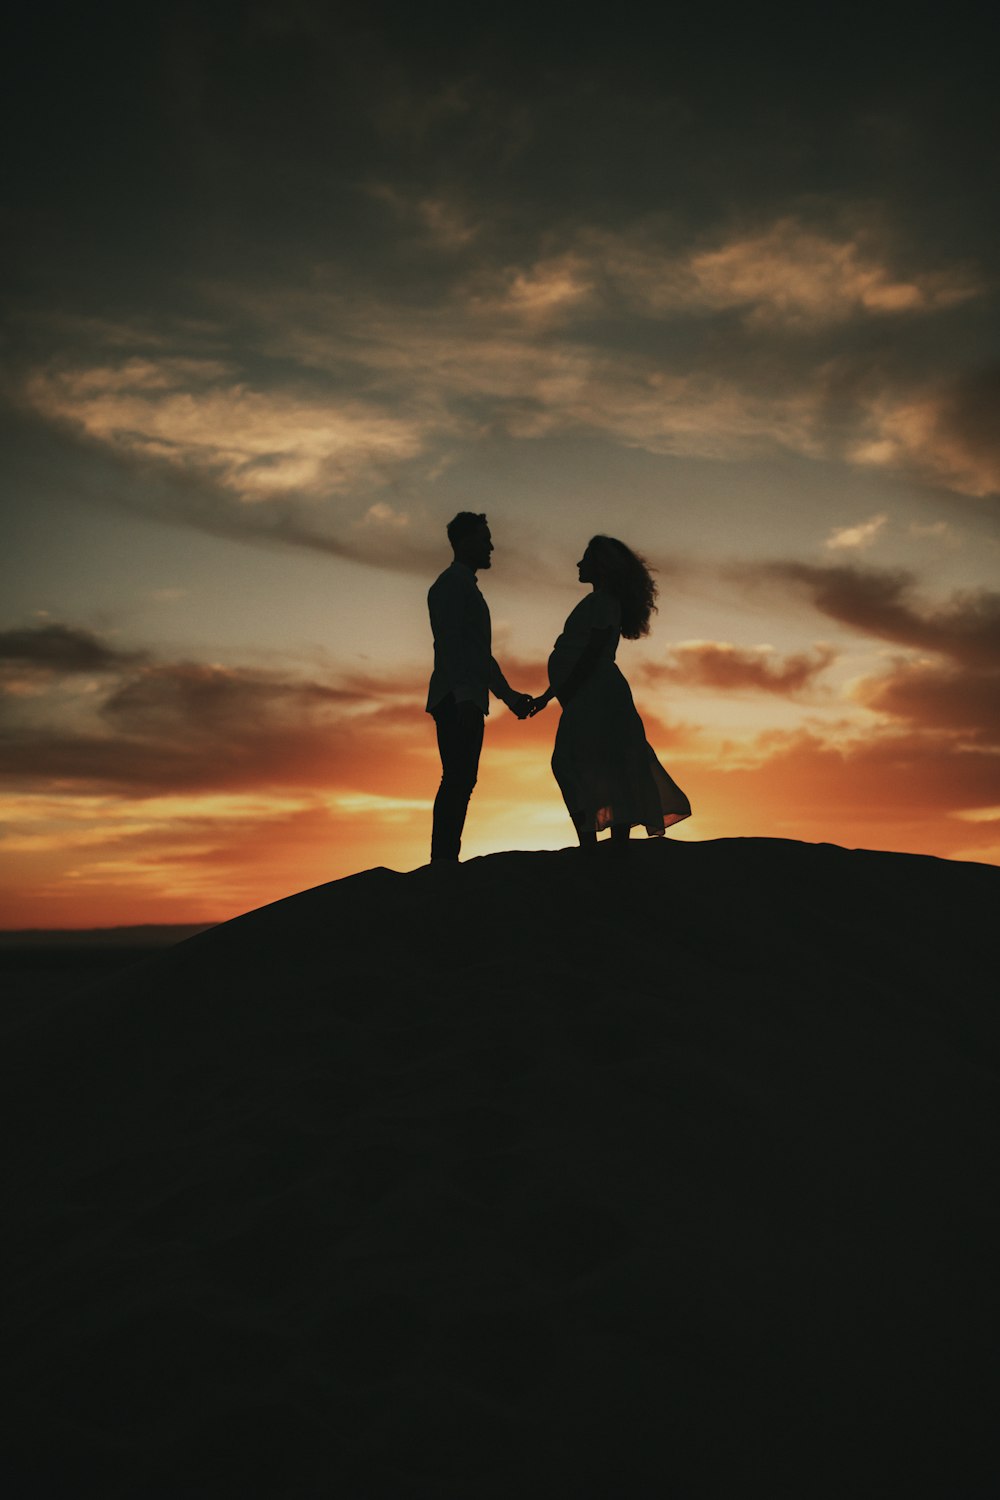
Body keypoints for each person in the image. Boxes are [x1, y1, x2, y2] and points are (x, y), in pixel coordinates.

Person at [528, 536, 691, 853]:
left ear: (600, 565)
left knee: (586, 763)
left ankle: (602, 848)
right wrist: (553, 694)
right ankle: (598, 845)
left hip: (596, 694)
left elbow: (592, 652)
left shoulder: (603, 602)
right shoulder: (600, 601)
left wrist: (556, 694)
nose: (578, 563)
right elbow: (582, 654)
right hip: (589, 693)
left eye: (585, 557)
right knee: (597, 764)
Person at [426, 512, 532, 862]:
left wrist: (510, 697)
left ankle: (445, 860)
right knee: (457, 780)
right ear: (464, 541)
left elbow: (479, 655)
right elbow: (452, 647)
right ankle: (443, 862)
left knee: (461, 781)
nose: (491, 546)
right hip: (458, 699)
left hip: (464, 698)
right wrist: (465, 699)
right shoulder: (451, 587)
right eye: (484, 539)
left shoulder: (463, 587)